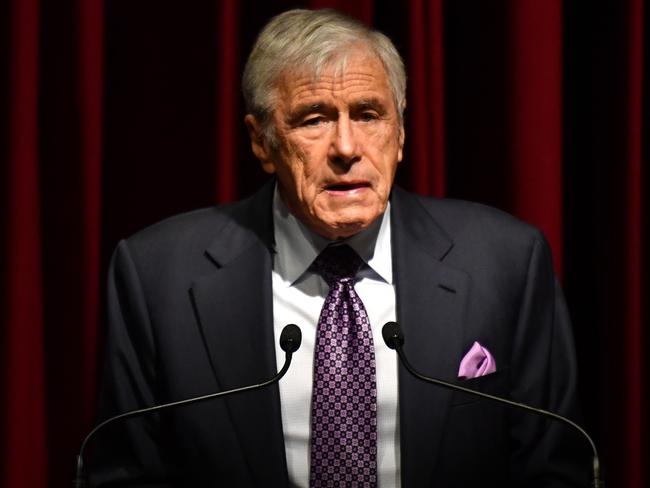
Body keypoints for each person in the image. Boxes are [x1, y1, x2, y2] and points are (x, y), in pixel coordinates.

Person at [92, 8, 588, 488]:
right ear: (261, 142)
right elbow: (125, 474)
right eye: (314, 120)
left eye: (369, 115)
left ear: (400, 134)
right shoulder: (158, 277)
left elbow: (554, 469)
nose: (347, 148)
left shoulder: (506, 262)